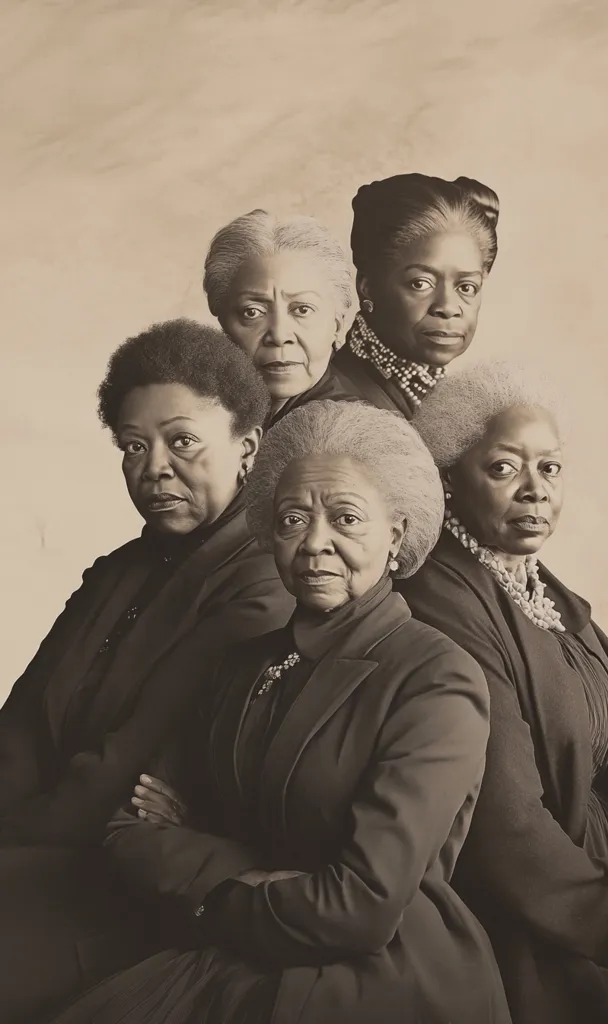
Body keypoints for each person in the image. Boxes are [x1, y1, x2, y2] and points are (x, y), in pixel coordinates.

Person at [48, 400, 512, 1024]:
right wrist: (263, 871)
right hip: (239, 956)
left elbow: (361, 908)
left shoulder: (435, 677)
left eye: (346, 518)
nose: (315, 543)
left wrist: (211, 890)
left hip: (380, 979)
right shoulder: (237, 664)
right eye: (293, 518)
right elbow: (130, 835)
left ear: (396, 535)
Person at [0, 319, 294, 1023]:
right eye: (134, 446)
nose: (153, 466)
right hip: (34, 845)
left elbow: (129, 769)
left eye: (181, 440)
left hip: (117, 884)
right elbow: (23, 721)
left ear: (247, 448)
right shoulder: (116, 572)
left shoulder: (265, 583)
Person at [398, 360, 608, 1024]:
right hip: (532, 914)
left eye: (549, 469)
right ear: (448, 481)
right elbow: (506, 827)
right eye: (503, 469)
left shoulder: (545, 593)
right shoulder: (440, 601)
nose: (534, 490)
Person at [332, 172, 499, 418]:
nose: (448, 307)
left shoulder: (449, 405)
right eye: (421, 283)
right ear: (367, 286)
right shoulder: (337, 407)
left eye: (466, 287)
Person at [204, 209, 357, 426]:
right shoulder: (212, 411)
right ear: (222, 322)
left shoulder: (349, 431)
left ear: (337, 324)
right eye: (252, 312)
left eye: (302, 310)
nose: (278, 335)